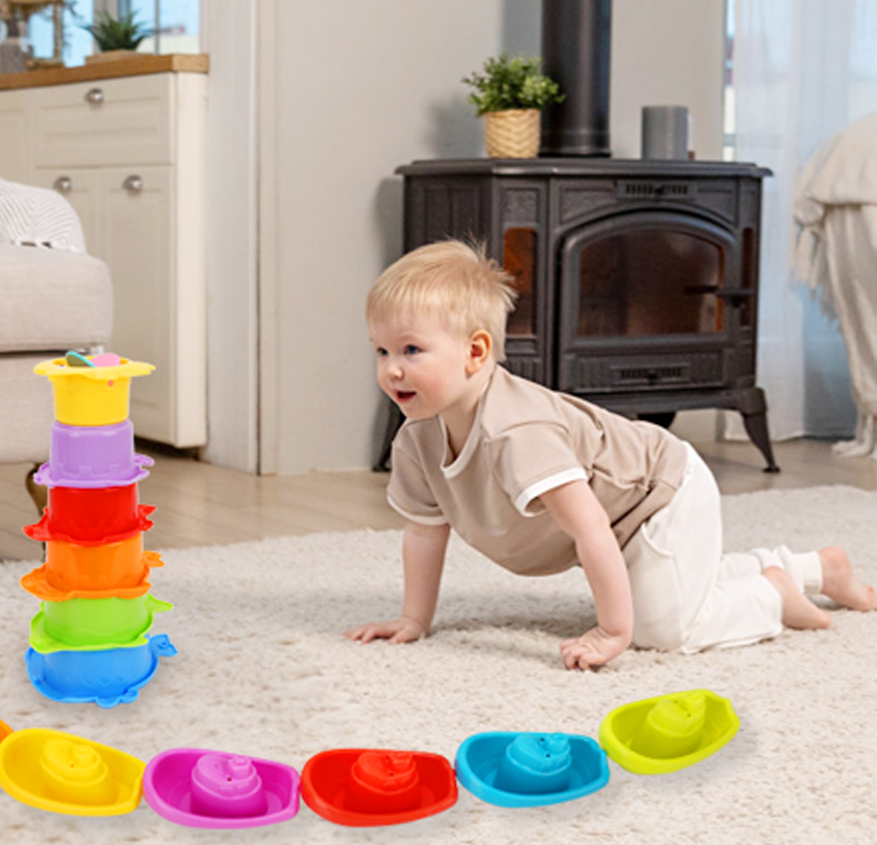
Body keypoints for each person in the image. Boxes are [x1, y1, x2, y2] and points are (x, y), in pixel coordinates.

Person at [346, 240, 875, 669]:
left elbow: (591, 529)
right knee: (666, 589)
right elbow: (424, 531)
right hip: (617, 514)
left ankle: (772, 594)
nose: (392, 368)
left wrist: (612, 631)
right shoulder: (417, 439)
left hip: (658, 493)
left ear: (476, 352)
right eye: (382, 350)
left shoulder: (517, 431)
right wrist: (415, 618)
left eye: (411, 350)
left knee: (663, 629)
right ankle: (812, 568)